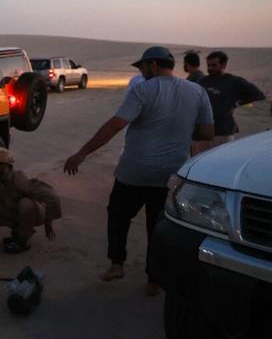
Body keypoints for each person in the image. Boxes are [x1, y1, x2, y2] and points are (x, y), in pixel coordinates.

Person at [63, 46, 214, 296]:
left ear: (153, 65)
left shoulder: (143, 89)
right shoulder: (197, 91)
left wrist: (82, 153)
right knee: (157, 228)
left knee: (118, 217)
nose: (141, 72)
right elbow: (208, 133)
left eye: (142, 67)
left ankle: (117, 265)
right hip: (171, 176)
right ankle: (154, 280)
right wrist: (182, 132)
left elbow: (115, 125)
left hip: (134, 172)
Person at [0, 147, 62, 254]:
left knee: (26, 204)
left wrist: (48, 222)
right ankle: (19, 231)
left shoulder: (19, 179)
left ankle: (22, 242)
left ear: (5, 166)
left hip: (36, 213)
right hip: (14, 211)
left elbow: (52, 197)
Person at [190, 50, 266, 155]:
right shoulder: (202, 82)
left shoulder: (233, 81)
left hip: (223, 131)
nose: (210, 68)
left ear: (224, 64)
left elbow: (258, 95)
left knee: (221, 161)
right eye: (208, 65)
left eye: (214, 65)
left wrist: (236, 105)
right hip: (202, 132)